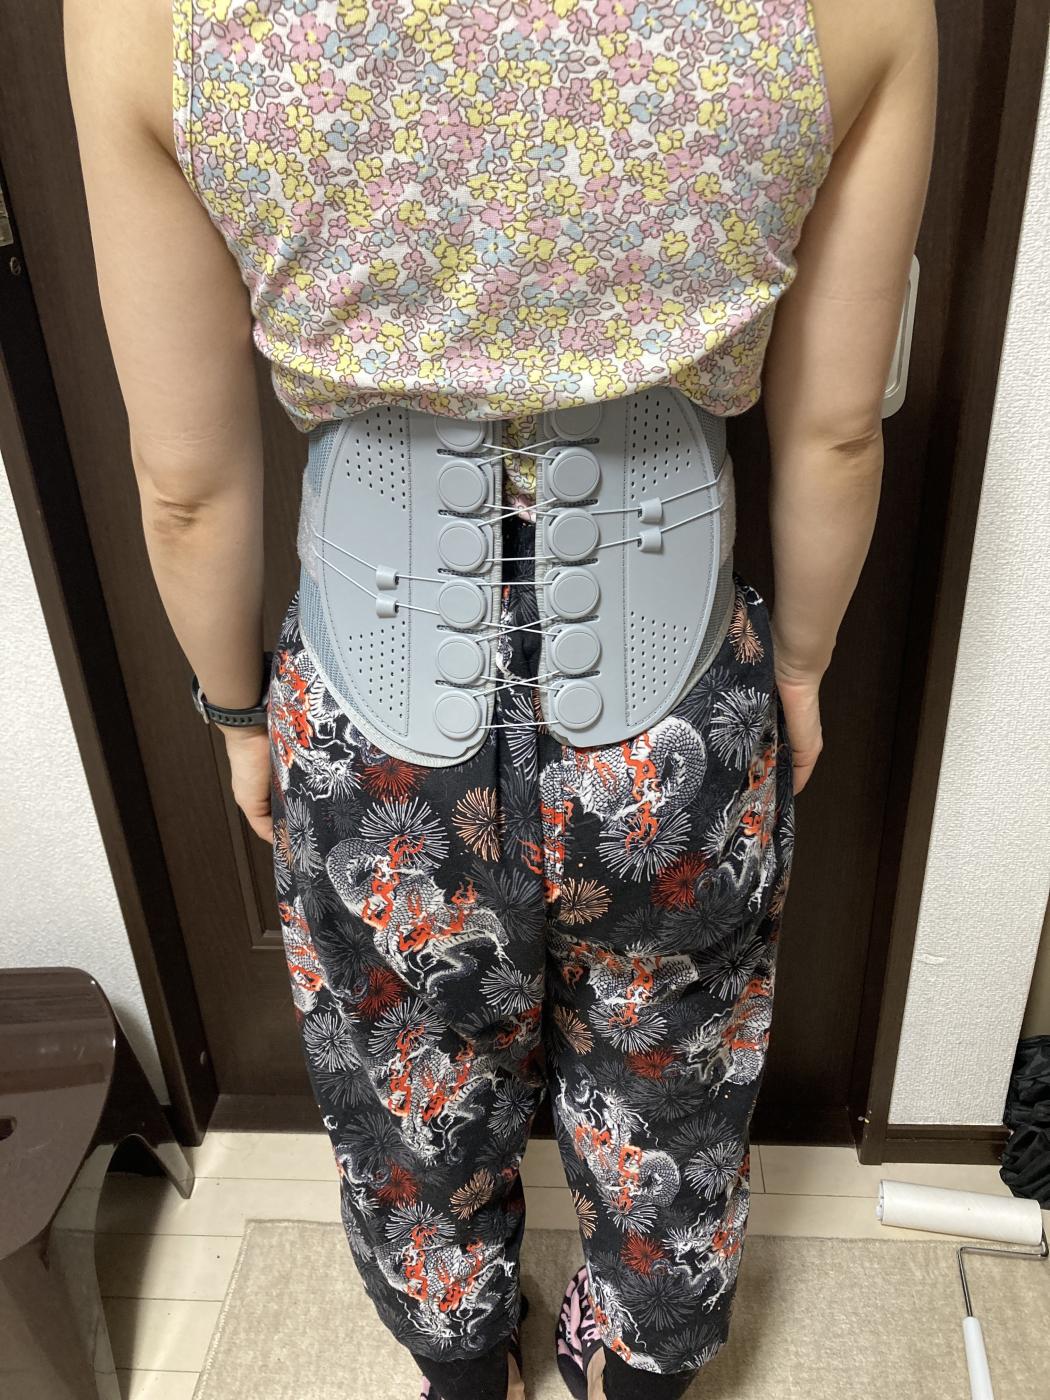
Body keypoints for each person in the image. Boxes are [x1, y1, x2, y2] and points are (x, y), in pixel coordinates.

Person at [64, 1, 937, 1396]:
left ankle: (467, 1371)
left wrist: (236, 715)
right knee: (669, 1072)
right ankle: (636, 1370)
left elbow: (186, 486)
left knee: (408, 1072)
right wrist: (801, 668)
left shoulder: (142, 19)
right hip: (675, 710)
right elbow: (836, 431)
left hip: (370, 716)